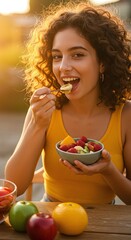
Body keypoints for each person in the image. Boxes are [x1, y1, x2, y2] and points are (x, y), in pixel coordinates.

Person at [5, 1, 131, 204]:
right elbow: (14, 184)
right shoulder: (43, 111)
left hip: (106, 222)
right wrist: (37, 125)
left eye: (77, 55)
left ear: (102, 63)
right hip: (50, 220)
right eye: (56, 57)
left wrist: (109, 170)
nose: (63, 67)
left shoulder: (125, 115)